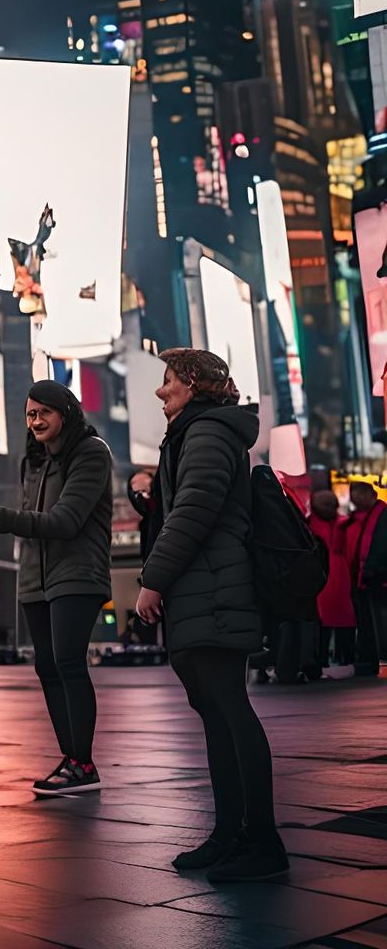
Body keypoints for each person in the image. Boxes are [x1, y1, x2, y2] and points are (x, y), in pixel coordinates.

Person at [136, 348, 283, 883]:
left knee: (229, 710)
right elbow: (184, 507)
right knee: (216, 714)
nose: (161, 390)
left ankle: (263, 843)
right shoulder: (197, 432)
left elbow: (196, 509)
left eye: (169, 379)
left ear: (194, 383)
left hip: (215, 590)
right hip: (201, 591)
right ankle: (229, 834)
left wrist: (151, 580)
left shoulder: (207, 432)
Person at [0, 381, 112, 797]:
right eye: (30, 414)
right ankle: (72, 759)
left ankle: (82, 762)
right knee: (47, 668)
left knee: (69, 663)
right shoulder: (35, 462)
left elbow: (65, 522)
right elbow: (32, 520)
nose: (37, 420)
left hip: (77, 573)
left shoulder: (91, 452)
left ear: (66, 412)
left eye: (44, 412)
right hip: (35, 578)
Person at [307, 490, 354, 674]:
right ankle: (334, 657)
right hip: (328, 576)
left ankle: (330, 657)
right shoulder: (342, 523)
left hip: (337, 577)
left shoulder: (310, 524)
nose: (330, 508)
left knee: (337, 621)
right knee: (333, 621)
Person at [348, 482, 387, 676]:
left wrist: (373, 569)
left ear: (367, 495)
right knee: (368, 623)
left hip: (376, 579)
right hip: (368, 578)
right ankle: (368, 658)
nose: (353, 501)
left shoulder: (381, 517)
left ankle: (371, 658)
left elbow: (379, 546)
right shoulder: (372, 516)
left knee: (376, 622)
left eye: (356, 496)